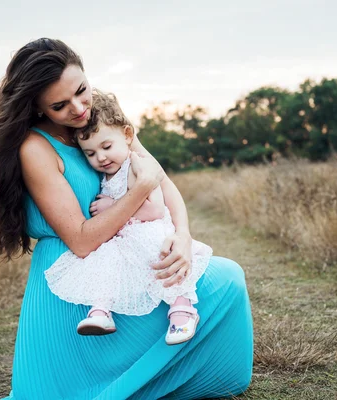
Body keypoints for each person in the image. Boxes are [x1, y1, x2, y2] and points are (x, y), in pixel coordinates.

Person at [0, 38, 253, 399]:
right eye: (60, 105)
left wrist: (182, 234)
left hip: (123, 255)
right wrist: (138, 191)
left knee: (227, 279)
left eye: (81, 91)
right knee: (222, 282)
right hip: (74, 277)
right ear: (36, 108)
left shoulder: (100, 120)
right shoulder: (35, 149)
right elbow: (82, 240)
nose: (78, 107)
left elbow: (160, 179)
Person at [44, 90, 213, 345]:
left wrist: (113, 205)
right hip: (123, 236)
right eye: (90, 153)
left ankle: (182, 309)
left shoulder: (137, 165)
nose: (100, 157)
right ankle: (101, 310)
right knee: (106, 261)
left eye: (106, 147)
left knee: (163, 260)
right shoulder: (106, 172)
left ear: (127, 136)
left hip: (150, 231)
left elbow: (155, 210)